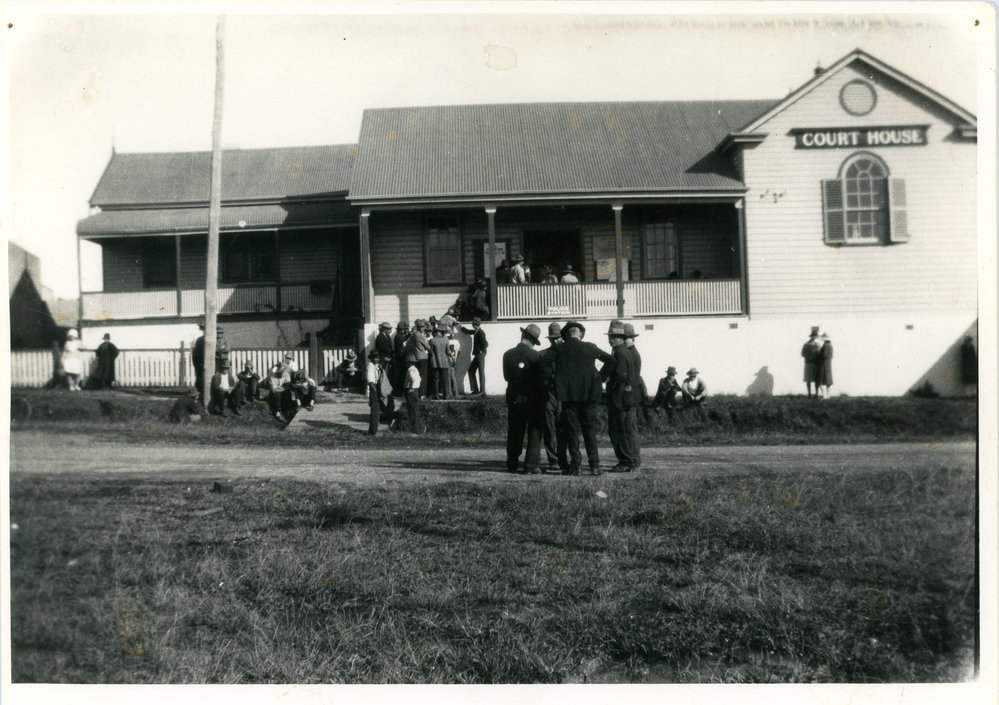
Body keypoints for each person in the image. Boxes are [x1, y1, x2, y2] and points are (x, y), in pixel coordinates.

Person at [543, 320, 615, 475]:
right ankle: (595, 466)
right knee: (590, 432)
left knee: (572, 432)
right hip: (589, 396)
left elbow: (543, 363)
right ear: (580, 334)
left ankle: (576, 466)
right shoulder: (590, 347)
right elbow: (611, 360)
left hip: (569, 398)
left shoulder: (559, 348)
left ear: (566, 335)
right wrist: (599, 378)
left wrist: (555, 378)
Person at [503, 324, 546, 474]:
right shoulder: (536, 356)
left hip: (514, 398)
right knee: (534, 432)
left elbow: (506, 377)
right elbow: (542, 379)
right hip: (532, 399)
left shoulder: (507, 354)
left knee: (514, 431)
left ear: (523, 337)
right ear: (533, 341)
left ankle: (512, 464)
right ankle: (531, 465)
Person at [606, 321, 642, 472]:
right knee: (627, 430)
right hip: (629, 398)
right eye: (611, 337)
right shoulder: (628, 352)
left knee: (619, 430)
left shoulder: (620, 352)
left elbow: (620, 375)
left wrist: (610, 387)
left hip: (620, 399)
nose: (610, 340)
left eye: (613, 337)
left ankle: (626, 462)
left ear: (620, 338)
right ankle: (632, 460)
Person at [541, 322, 567, 472]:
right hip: (549, 394)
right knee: (549, 428)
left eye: (558, 338)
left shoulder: (569, 354)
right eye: (553, 338)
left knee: (563, 428)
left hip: (563, 395)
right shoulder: (544, 354)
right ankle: (553, 460)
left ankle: (562, 458)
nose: (556, 341)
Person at [460, 317, 488, 395]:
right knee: (471, 370)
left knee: (481, 372)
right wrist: (461, 326)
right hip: (477, 355)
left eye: (473, 324)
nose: (472, 325)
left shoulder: (480, 332)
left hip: (480, 354)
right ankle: (475, 390)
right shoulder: (476, 331)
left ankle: (482, 391)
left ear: (475, 324)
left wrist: (482, 351)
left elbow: (486, 344)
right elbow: (468, 331)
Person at [405, 319, 431, 397]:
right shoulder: (420, 335)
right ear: (420, 327)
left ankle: (418, 392)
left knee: (418, 375)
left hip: (416, 357)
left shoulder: (413, 335)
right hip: (422, 357)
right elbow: (427, 347)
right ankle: (422, 394)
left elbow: (408, 344)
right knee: (423, 376)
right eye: (422, 327)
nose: (424, 328)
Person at [428, 325, 450, 399]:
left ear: (435, 333)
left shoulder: (432, 340)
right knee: (445, 380)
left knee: (435, 380)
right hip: (444, 362)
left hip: (435, 363)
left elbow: (430, 352)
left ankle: (436, 395)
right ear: (441, 332)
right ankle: (446, 395)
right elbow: (448, 351)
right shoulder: (446, 340)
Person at [402, 360, 425, 433]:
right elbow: (419, 379)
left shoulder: (410, 369)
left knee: (412, 410)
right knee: (414, 410)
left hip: (411, 391)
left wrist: (411, 388)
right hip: (416, 391)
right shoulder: (416, 369)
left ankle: (416, 429)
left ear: (409, 363)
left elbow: (414, 379)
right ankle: (418, 428)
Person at [801, 326, 821, 398]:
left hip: (815, 364)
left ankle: (816, 394)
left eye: (815, 336)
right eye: (813, 336)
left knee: (816, 379)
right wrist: (809, 357)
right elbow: (802, 354)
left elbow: (820, 354)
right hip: (808, 363)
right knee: (808, 379)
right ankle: (809, 394)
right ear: (811, 336)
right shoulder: (806, 344)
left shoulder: (817, 345)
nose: (814, 337)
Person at [392, 322, 410, 393]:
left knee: (401, 373)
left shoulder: (398, 336)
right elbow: (403, 346)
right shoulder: (400, 336)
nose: (404, 331)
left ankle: (399, 389)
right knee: (402, 373)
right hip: (401, 356)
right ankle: (400, 390)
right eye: (403, 329)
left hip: (399, 356)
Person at [817, 333, 834, 399]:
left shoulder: (825, 345)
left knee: (820, 380)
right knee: (828, 380)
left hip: (823, 364)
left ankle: (824, 396)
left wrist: (818, 354)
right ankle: (828, 395)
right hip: (828, 364)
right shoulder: (830, 345)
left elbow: (824, 355)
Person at [192, 326, 206, 403]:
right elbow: (196, 353)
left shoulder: (212, 339)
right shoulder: (199, 340)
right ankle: (199, 395)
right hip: (200, 363)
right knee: (200, 379)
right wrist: (197, 364)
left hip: (208, 362)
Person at [446, 329, 461, 397]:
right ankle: (456, 392)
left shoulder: (447, 341)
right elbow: (458, 351)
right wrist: (455, 358)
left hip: (448, 359)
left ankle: (450, 392)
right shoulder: (457, 342)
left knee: (448, 376)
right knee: (453, 376)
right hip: (454, 359)